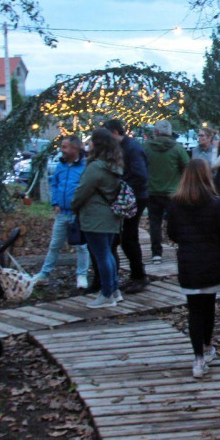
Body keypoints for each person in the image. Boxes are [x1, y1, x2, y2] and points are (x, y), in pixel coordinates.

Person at [167, 159, 220, 379]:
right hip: (211, 261)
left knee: (194, 309)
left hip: (188, 261)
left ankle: (198, 357)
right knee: (208, 306)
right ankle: (207, 346)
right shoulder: (216, 203)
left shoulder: (175, 203)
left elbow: (172, 233)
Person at [71, 129, 125, 308]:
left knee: (101, 256)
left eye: (91, 141)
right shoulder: (114, 166)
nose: (88, 144)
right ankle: (114, 289)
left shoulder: (95, 167)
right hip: (111, 216)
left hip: (95, 217)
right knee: (108, 253)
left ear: (98, 144)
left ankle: (107, 294)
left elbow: (82, 191)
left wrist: (73, 205)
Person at [36, 134, 91, 290]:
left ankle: (82, 275)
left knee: (81, 246)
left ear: (74, 148)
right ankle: (44, 274)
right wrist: (55, 202)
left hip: (77, 213)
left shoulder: (85, 166)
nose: (62, 150)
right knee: (55, 245)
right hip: (62, 213)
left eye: (64, 147)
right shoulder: (61, 165)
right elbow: (55, 184)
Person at [103, 118, 150, 294]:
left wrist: (122, 188)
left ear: (115, 133)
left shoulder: (132, 148)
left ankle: (139, 276)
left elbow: (140, 175)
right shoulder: (123, 147)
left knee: (129, 238)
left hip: (135, 197)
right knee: (125, 238)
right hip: (130, 196)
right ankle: (135, 275)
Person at [145, 119, 191, 265]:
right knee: (176, 221)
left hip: (152, 191)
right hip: (173, 192)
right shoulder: (177, 149)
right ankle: (179, 246)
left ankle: (156, 253)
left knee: (155, 223)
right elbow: (187, 167)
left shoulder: (147, 148)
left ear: (156, 132)